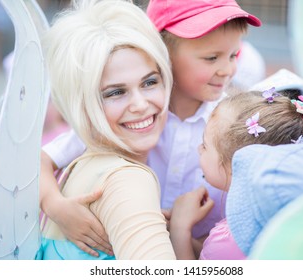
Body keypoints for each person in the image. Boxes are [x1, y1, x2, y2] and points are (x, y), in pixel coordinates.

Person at [39, 0, 262, 257]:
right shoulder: (109, 123)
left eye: (234, 55)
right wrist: (55, 206)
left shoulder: (230, 121)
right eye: (211, 58)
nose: (228, 70)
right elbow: (40, 159)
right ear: (161, 52)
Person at [37, 0, 175, 259]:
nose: (141, 104)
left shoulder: (86, 165)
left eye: (149, 82)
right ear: (82, 104)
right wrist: (53, 204)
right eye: (116, 92)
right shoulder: (126, 180)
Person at [168, 89, 303, 259]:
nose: (199, 149)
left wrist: (180, 228)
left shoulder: (228, 241)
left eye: (205, 145)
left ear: (234, 164)